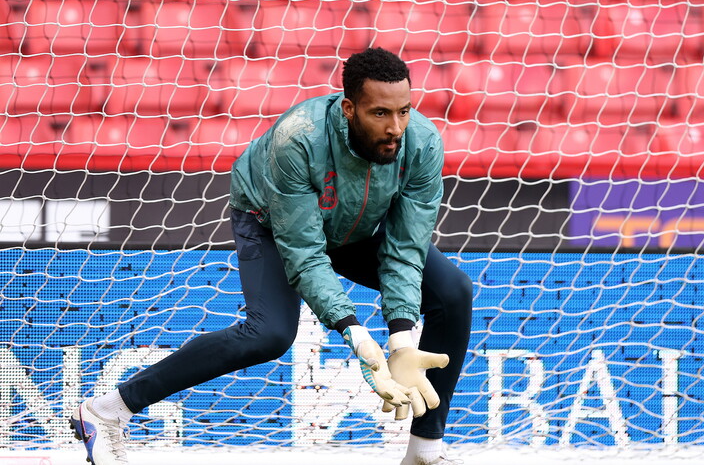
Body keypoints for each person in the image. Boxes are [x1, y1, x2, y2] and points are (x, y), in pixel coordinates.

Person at [69, 48, 473, 465]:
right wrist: (357, 335)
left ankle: (424, 451)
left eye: (404, 111)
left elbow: (405, 247)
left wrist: (401, 339)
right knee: (269, 334)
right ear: (349, 108)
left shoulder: (421, 144)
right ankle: (108, 411)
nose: (395, 128)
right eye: (380, 114)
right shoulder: (298, 139)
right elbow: (304, 253)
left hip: (359, 227)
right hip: (272, 222)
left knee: (453, 291)